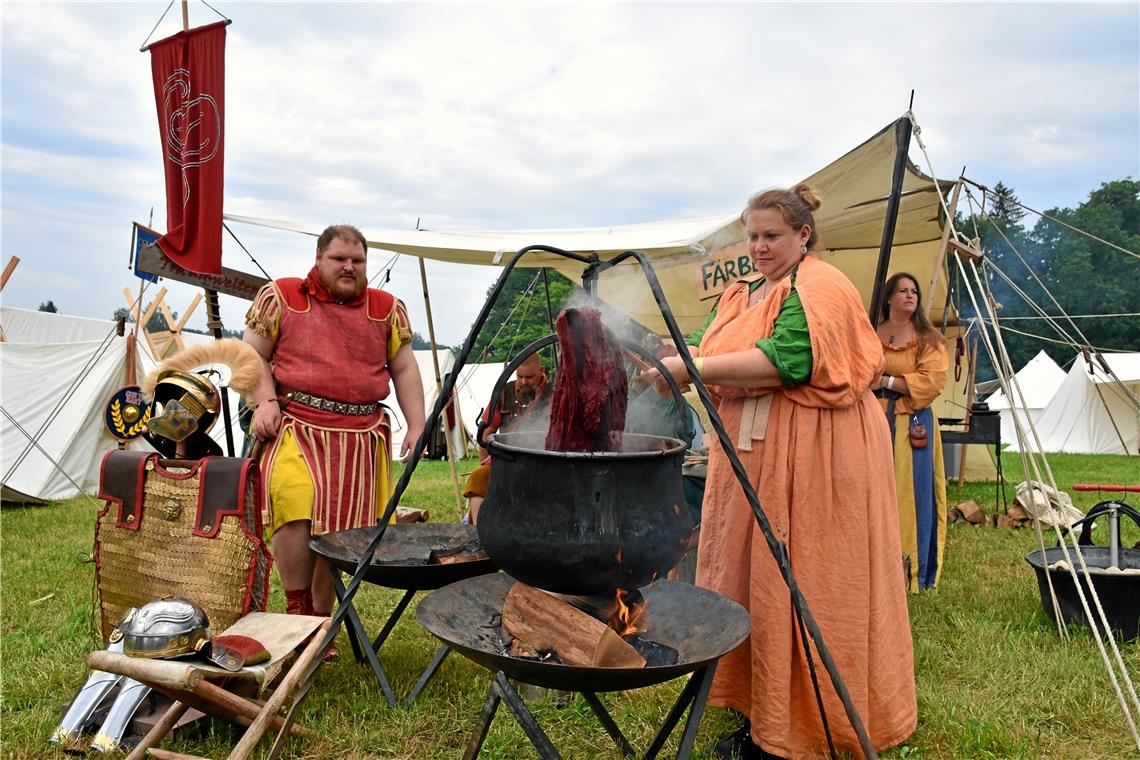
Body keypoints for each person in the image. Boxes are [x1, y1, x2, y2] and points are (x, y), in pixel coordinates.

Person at [644, 185, 916, 759]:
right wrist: (667, 349)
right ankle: (762, 716)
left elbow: (786, 360)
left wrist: (688, 367)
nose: (760, 246)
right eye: (753, 236)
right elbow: (713, 343)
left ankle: (808, 729)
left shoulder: (822, 287)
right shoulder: (748, 291)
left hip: (816, 457)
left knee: (806, 585)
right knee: (751, 582)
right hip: (755, 458)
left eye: (772, 236)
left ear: (803, 235)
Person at [243, 224, 425, 628]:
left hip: (359, 435)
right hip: (295, 424)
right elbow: (251, 355)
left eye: (357, 261)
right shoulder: (283, 296)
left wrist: (417, 425)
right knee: (293, 501)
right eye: (339, 259)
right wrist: (265, 402)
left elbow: (405, 367)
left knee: (340, 530)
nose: (349, 267)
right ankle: (296, 609)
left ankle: (320, 622)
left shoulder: (385, 307)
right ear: (318, 258)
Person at [875, 272, 948, 592]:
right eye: (902, 291)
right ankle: (873, 566)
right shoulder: (870, 332)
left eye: (914, 291)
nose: (910, 295)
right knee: (873, 491)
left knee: (910, 494)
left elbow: (931, 383)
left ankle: (911, 572)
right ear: (889, 297)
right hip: (873, 419)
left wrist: (886, 382)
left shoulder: (928, 339)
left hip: (911, 422)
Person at [463, 352, 548, 523]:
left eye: (529, 377)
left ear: (541, 371)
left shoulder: (554, 395)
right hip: (507, 464)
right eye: (520, 376)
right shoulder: (504, 393)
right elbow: (485, 434)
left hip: (543, 467)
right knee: (478, 477)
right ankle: (479, 533)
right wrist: (489, 463)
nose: (524, 382)